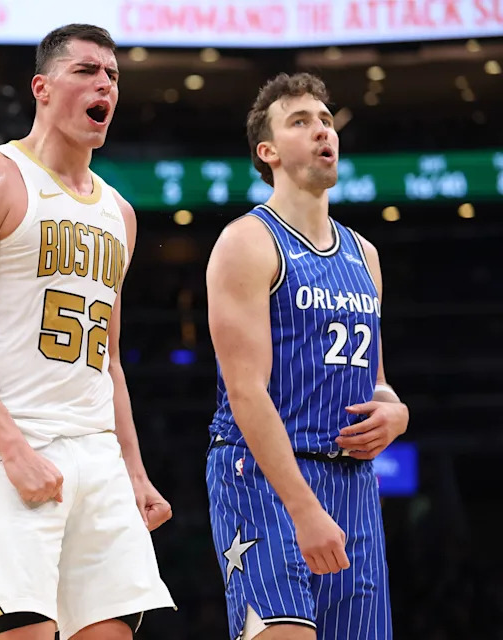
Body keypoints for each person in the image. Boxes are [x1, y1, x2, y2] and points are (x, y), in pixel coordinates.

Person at [0, 23, 175, 640]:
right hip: (9, 442)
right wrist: (13, 448)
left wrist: (134, 470)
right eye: (86, 70)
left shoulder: (121, 214)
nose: (103, 84)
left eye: (112, 75)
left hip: (96, 451)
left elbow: (108, 361)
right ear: (43, 87)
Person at [204, 72, 410, 640]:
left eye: (325, 120)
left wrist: (397, 413)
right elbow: (245, 392)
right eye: (301, 122)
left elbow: (379, 382)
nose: (322, 131)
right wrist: (303, 509)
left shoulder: (363, 254)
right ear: (266, 153)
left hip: (353, 483)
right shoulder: (248, 241)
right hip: (264, 476)